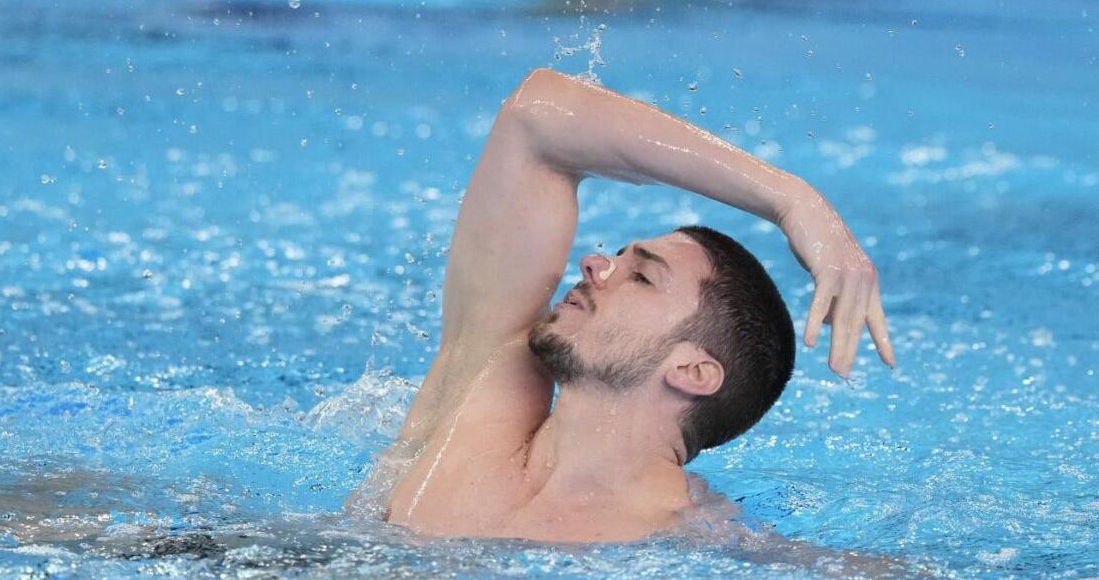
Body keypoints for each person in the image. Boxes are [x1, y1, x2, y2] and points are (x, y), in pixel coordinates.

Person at [377, 68, 895, 543]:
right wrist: (792, 200)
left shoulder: (700, 544)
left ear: (692, 371)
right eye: (619, 258)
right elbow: (536, 117)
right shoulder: (481, 390)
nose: (593, 264)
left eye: (642, 277)